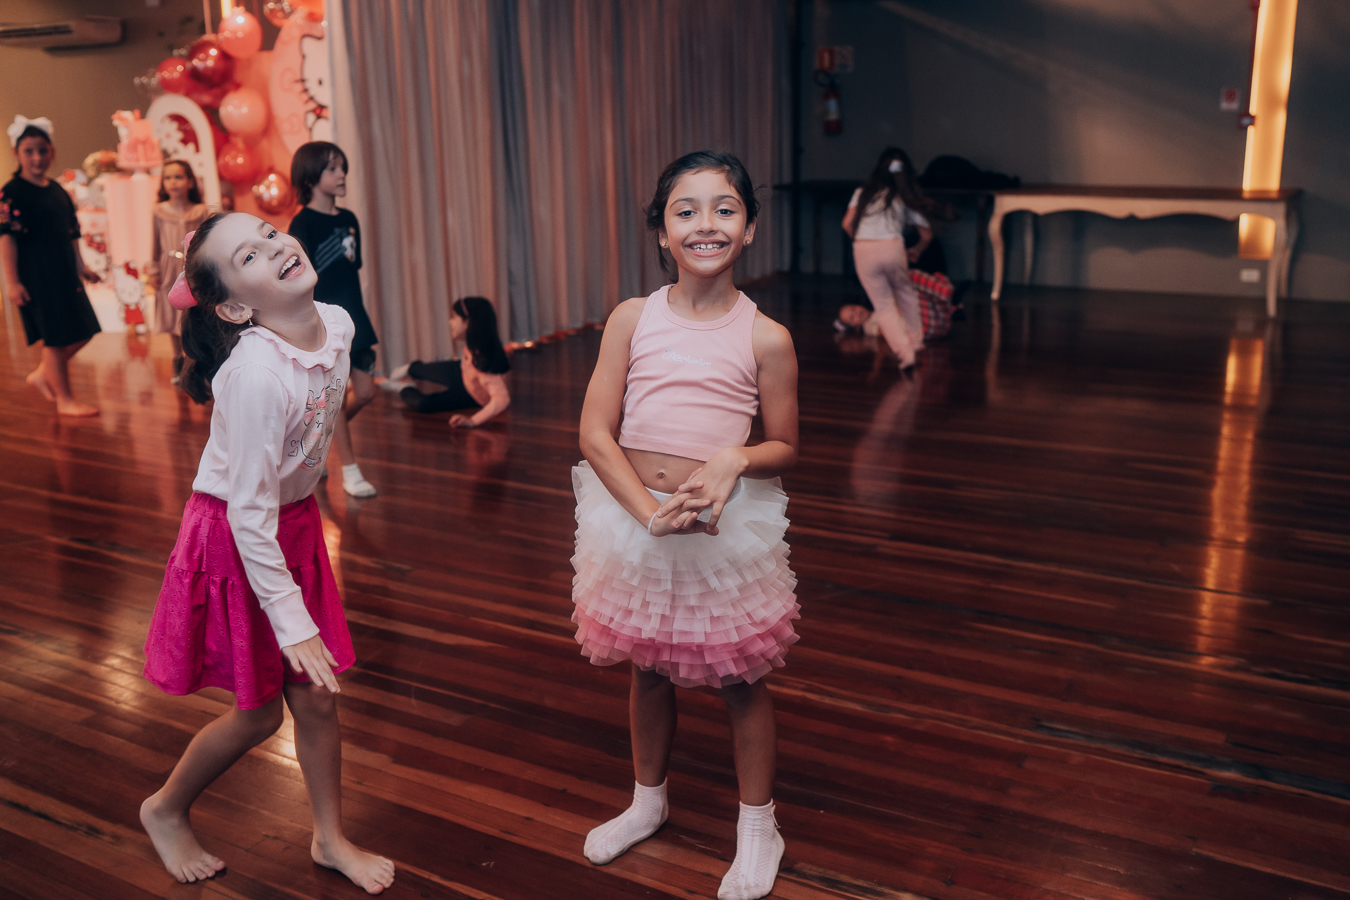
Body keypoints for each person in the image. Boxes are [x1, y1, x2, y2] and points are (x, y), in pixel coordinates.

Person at [139, 212, 395, 894]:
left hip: (295, 524)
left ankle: (330, 839)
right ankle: (164, 808)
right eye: (247, 256)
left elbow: (315, 427)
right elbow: (248, 512)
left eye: (268, 232)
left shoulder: (337, 324)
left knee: (317, 699)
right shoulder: (253, 374)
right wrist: (292, 618)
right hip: (235, 536)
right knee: (259, 714)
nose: (274, 246)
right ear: (234, 308)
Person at [573, 151, 800, 900]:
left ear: (750, 227)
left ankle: (760, 827)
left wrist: (736, 457)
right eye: (687, 210)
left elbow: (786, 445)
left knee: (739, 677)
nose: (707, 223)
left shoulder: (766, 336)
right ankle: (648, 801)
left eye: (725, 208)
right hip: (634, 515)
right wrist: (647, 515)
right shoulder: (632, 318)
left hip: (719, 525)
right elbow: (595, 433)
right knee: (647, 666)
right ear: (663, 231)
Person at [289, 141, 378, 498]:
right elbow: (299, 280)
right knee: (335, 398)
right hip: (325, 323)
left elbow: (351, 269)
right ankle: (350, 471)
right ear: (310, 177)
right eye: (332, 168)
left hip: (355, 314)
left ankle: (317, 441)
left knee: (366, 392)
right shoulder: (301, 224)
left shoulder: (349, 219)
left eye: (343, 167)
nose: (342, 174)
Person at [0, 115, 102, 416]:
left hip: (64, 274)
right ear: (17, 153)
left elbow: (72, 233)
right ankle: (65, 400)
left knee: (85, 329)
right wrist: (12, 282)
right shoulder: (12, 192)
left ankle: (44, 374)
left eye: (42, 150)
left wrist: (82, 267)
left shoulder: (57, 190)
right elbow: (7, 239)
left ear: (52, 152)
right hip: (37, 276)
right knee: (55, 339)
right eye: (29, 151)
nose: (37, 157)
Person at [842, 147, 933, 370]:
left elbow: (847, 224)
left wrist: (863, 242)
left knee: (883, 306)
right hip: (892, 247)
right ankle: (916, 342)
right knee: (906, 295)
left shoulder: (862, 193)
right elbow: (926, 234)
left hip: (864, 249)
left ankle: (905, 353)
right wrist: (918, 249)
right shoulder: (905, 197)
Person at [384, 296, 511, 428]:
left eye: (454, 317)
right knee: (422, 370)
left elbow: (502, 399)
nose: (450, 322)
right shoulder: (476, 345)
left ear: (468, 322)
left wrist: (473, 421)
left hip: (469, 394)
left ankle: (404, 387)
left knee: (424, 405)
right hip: (463, 373)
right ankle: (410, 369)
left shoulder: (485, 365)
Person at [147, 159, 208, 383]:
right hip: (168, 270)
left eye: (179, 177)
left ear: (190, 181)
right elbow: (154, 243)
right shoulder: (159, 211)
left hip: (192, 270)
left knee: (193, 315)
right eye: (168, 177)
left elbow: (206, 241)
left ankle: (196, 361)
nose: (173, 182)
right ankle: (177, 361)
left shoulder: (200, 211)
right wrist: (153, 270)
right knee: (171, 316)